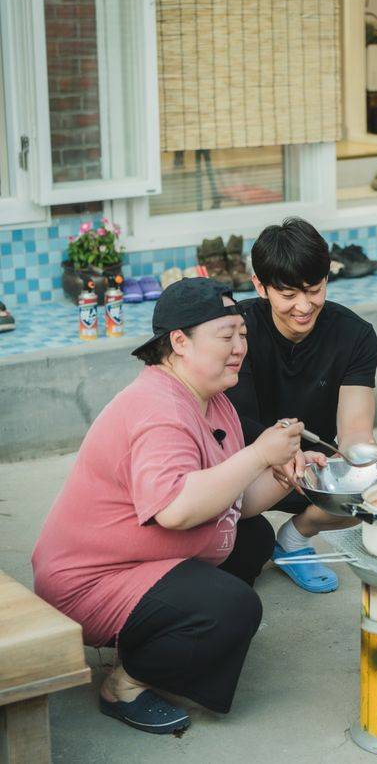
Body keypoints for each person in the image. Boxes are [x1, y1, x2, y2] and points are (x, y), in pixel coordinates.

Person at [32, 278, 324, 735]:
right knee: (233, 608)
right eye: (225, 336)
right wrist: (258, 455)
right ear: (180, 342)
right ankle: (125, 684)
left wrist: (292, 475)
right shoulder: (158, 408)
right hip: (90, 582)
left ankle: (159, 636)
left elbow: (238, 504)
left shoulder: (210, 398)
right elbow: (175, 509)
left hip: (138, 558)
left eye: (242, 334)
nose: (239, 348)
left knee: (252, 537)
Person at [226, 218, 377, 594]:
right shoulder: (236, 331)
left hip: (309, 468)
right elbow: (229, 421)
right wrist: (273, 450)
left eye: (314, 289)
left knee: (370, 491)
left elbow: (355, 430)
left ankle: (294, 538)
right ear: (260, 286)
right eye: (288, 294)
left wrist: (362, 462)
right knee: (242, 553)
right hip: (240, 461)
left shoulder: (355, 335)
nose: (304, 306)